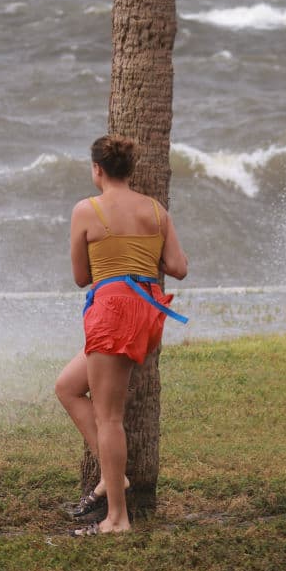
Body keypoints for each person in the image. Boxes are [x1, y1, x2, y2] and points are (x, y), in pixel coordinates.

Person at [55, 134, 188, 537]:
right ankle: (115, 479)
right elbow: (178, 267)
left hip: (112, 310)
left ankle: (117, 518)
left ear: (97, 169)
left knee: (109, 417)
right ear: (130, 171)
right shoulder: (155, 210)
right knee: (67, 387)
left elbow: (81, 278)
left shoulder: (86, 210)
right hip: (145, 310)